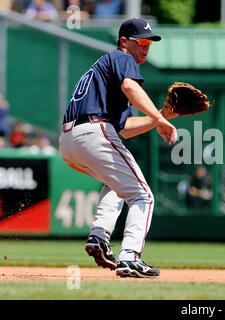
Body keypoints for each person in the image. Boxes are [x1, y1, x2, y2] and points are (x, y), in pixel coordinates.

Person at [59, 18, 179, 278]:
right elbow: (130, 86)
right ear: (124, 41)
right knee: (143, 196)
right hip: (93, 132)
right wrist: (159, 120)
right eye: (141, 42)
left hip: (70, 140)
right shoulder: (122, 58)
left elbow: (124, 127)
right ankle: (130, 257)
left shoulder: (107, 70)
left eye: (149, 42)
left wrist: (160, 115)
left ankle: (99, 236)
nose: (146, 47)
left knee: (117, 184)